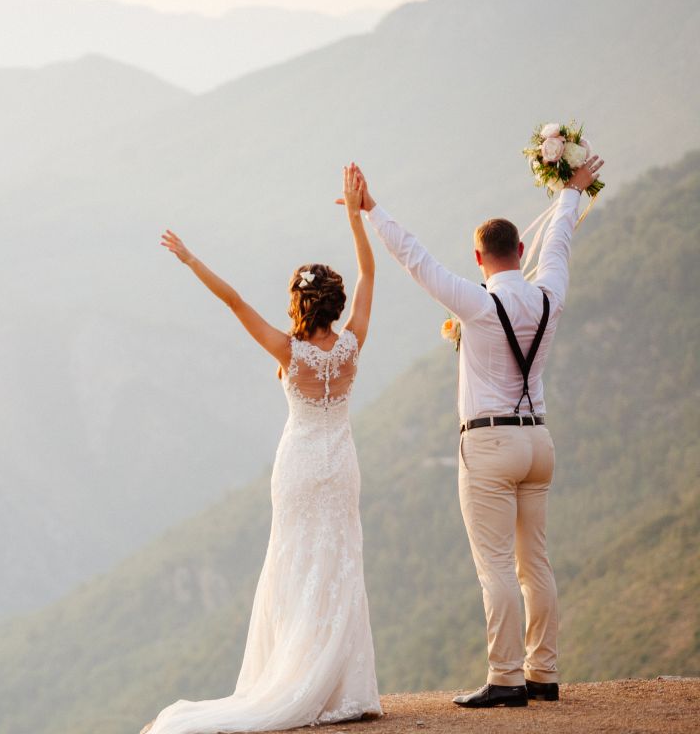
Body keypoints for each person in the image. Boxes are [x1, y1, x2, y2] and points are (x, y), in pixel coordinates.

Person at [353, 154, 604, 708]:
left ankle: (506, 677)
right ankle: (544, 673)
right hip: (539, 440)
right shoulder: (548, 294)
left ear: (478, 257)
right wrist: (572, 191)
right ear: (520, 252)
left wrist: (371, 209)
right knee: (534, 561)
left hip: (489, 443)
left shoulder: (476, 302)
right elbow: (560, 239)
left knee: (494, 565)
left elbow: (414, 258)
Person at [142, 164, 381, 733]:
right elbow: (371, 270)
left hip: (298, 469)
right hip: (340, 466)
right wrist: (356, 215)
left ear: (301, 306)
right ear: (336, 303)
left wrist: (190, 259)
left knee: (295, 564)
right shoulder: (353, 343)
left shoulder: (287, 353)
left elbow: (234, 301)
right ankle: (340, 686)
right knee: (339, 563)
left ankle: (292, 678)